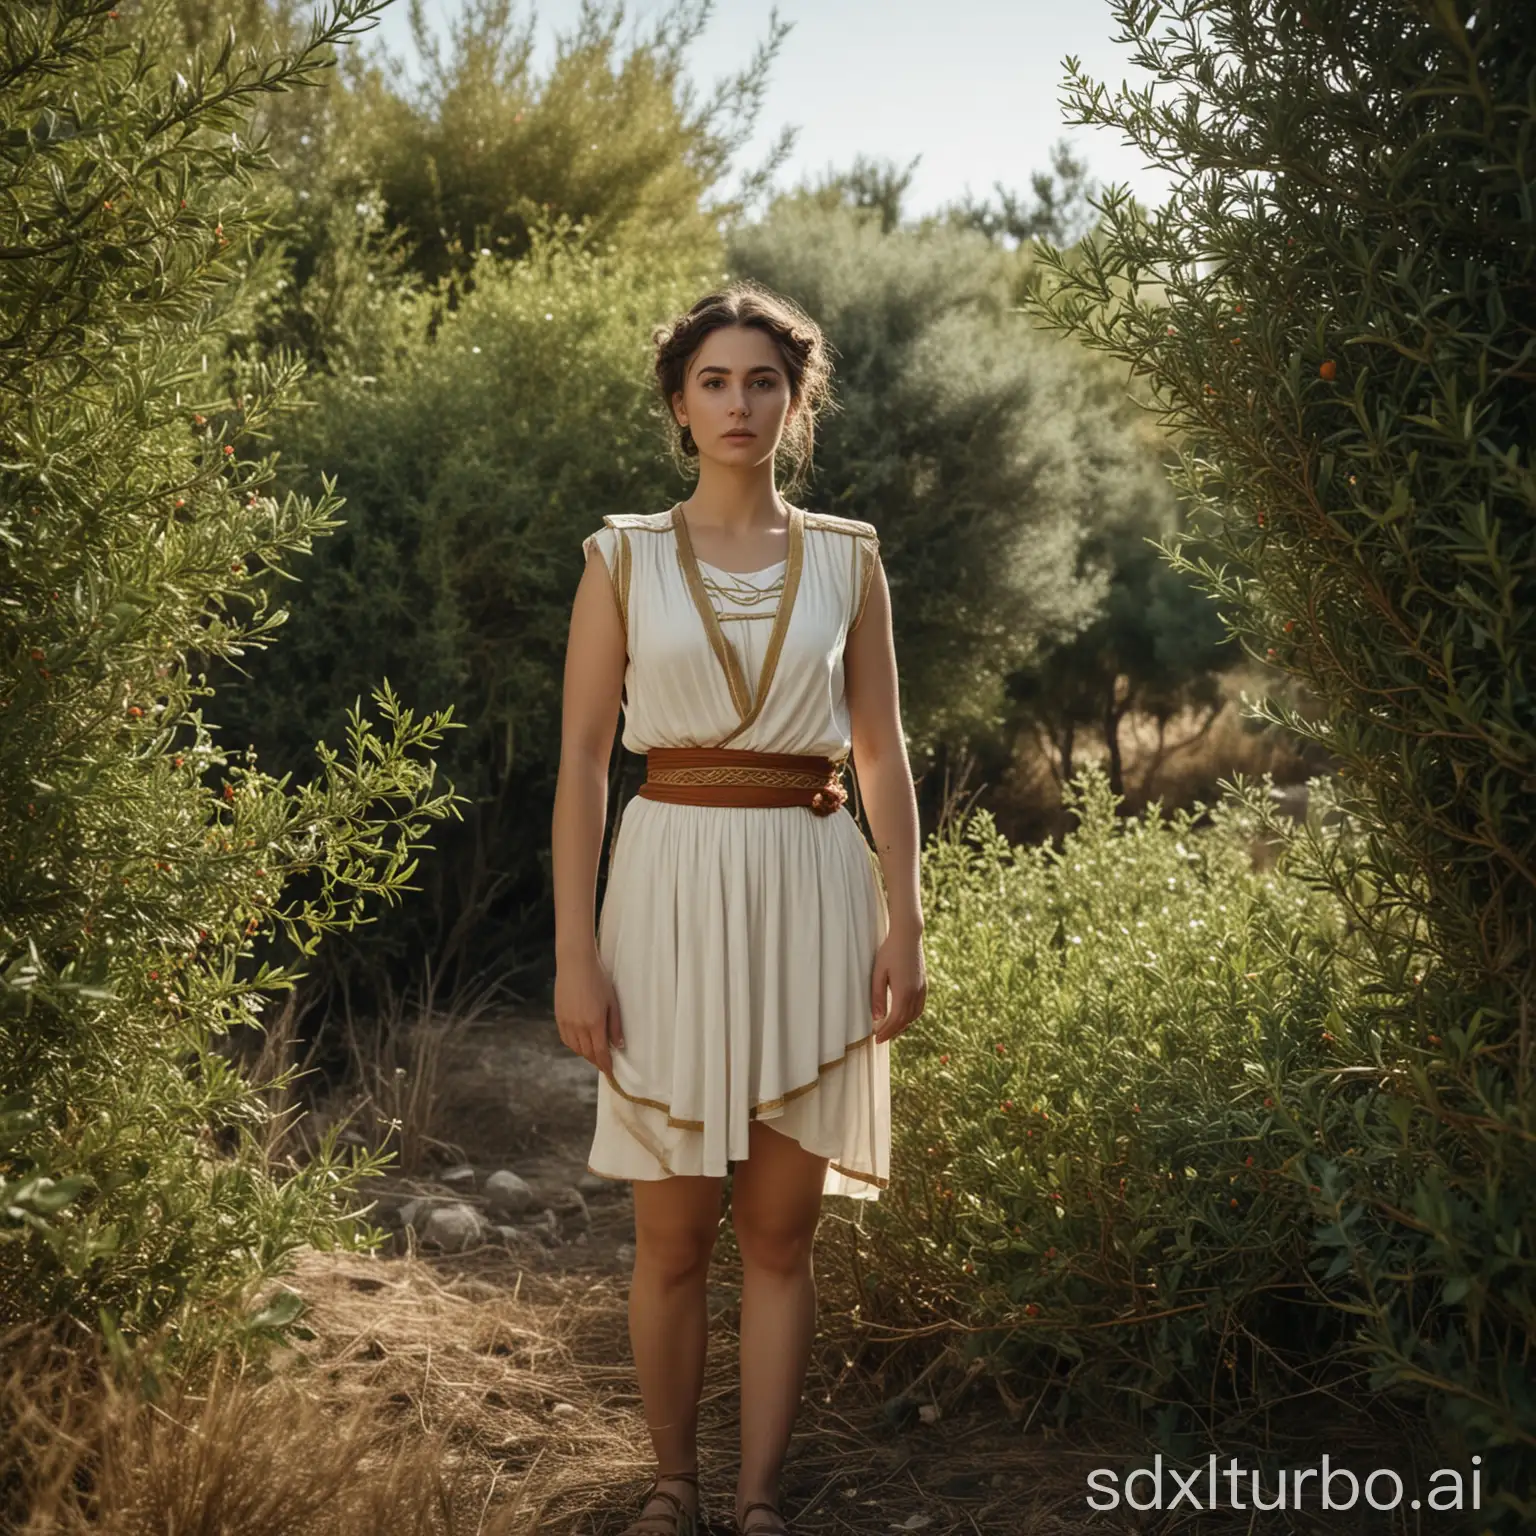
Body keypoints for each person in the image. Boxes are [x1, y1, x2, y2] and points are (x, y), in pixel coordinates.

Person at [551, 281, 926, 1536]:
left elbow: (881, 757)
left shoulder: (851, 557)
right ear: (677, 402)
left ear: (795, 401)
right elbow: (582, 769)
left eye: (763, 380)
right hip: (661, 894)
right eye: (714, 381)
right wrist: (574, 955)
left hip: (813, 892)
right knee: (669, 1238)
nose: (738, 403)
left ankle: (760, 1502)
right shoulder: (621, 557)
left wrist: (906, 925)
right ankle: (673, 1487)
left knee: (778, 1236)